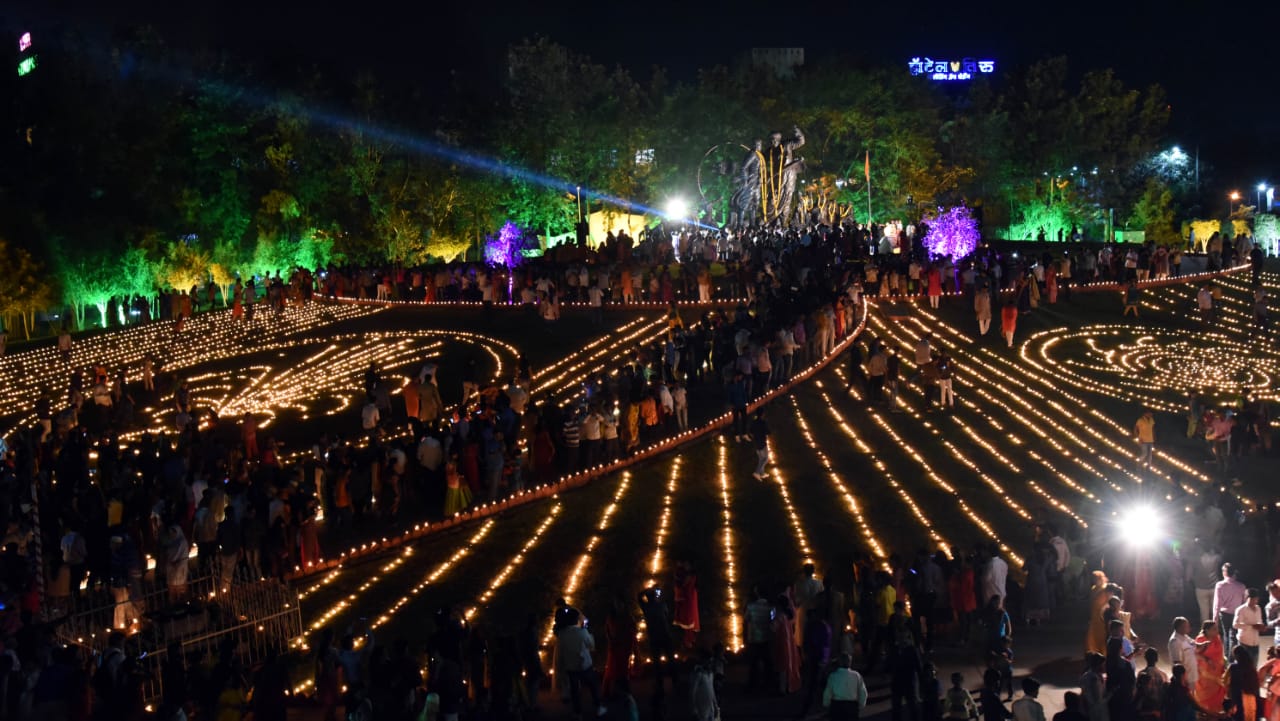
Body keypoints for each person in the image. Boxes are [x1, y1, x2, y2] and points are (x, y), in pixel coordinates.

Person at [822, 653, 868, 721]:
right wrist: (861, 705)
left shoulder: (833, 676)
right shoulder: (856, 675)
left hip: (837, 706)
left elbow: (827, 693)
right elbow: (863, 692)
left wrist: (826, 704)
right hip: (852, 707)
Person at [1195, 620, 1228, 712]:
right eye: (1214, 629)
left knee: (1217, 697)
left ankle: (1216, 714)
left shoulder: (1217, 638)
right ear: (1207, 630)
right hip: (1205, 674)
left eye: (1217, 629)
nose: (1217, 631)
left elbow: (1221, 654)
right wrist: (1206, 660)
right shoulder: (1200, 640)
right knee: (1205, 699)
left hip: (1218, 672)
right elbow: (1194, 654)